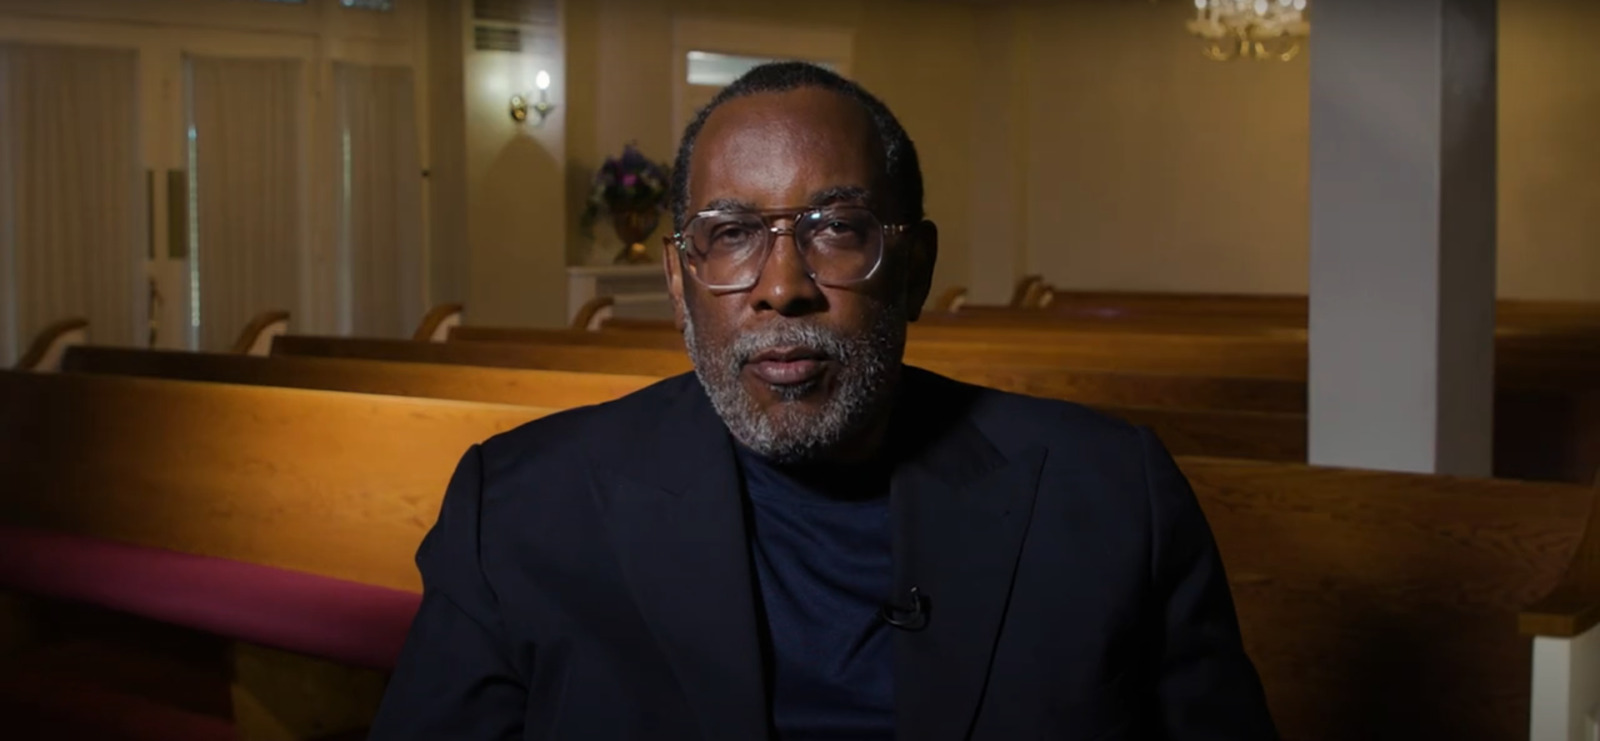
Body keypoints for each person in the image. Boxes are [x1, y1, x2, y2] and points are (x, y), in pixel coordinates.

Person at [369, 62, 1277, 741]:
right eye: (731, 235)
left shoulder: (1114, 496)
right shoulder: (520, 506)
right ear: (681, 284)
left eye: (835, 229)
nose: (781, 286)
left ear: (915, 269)